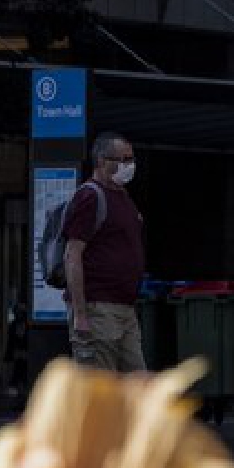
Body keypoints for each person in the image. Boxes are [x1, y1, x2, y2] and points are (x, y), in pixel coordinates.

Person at [61, 131, 147, 373]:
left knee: (137, 383)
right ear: (102, 161)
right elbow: (72, 255)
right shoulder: (90, 197)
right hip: (98, 309)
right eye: (123, 159)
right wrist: (81, 315)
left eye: (131, 159)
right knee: (101, 385)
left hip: (125, 309)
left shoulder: (122, 196)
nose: (129, 165)